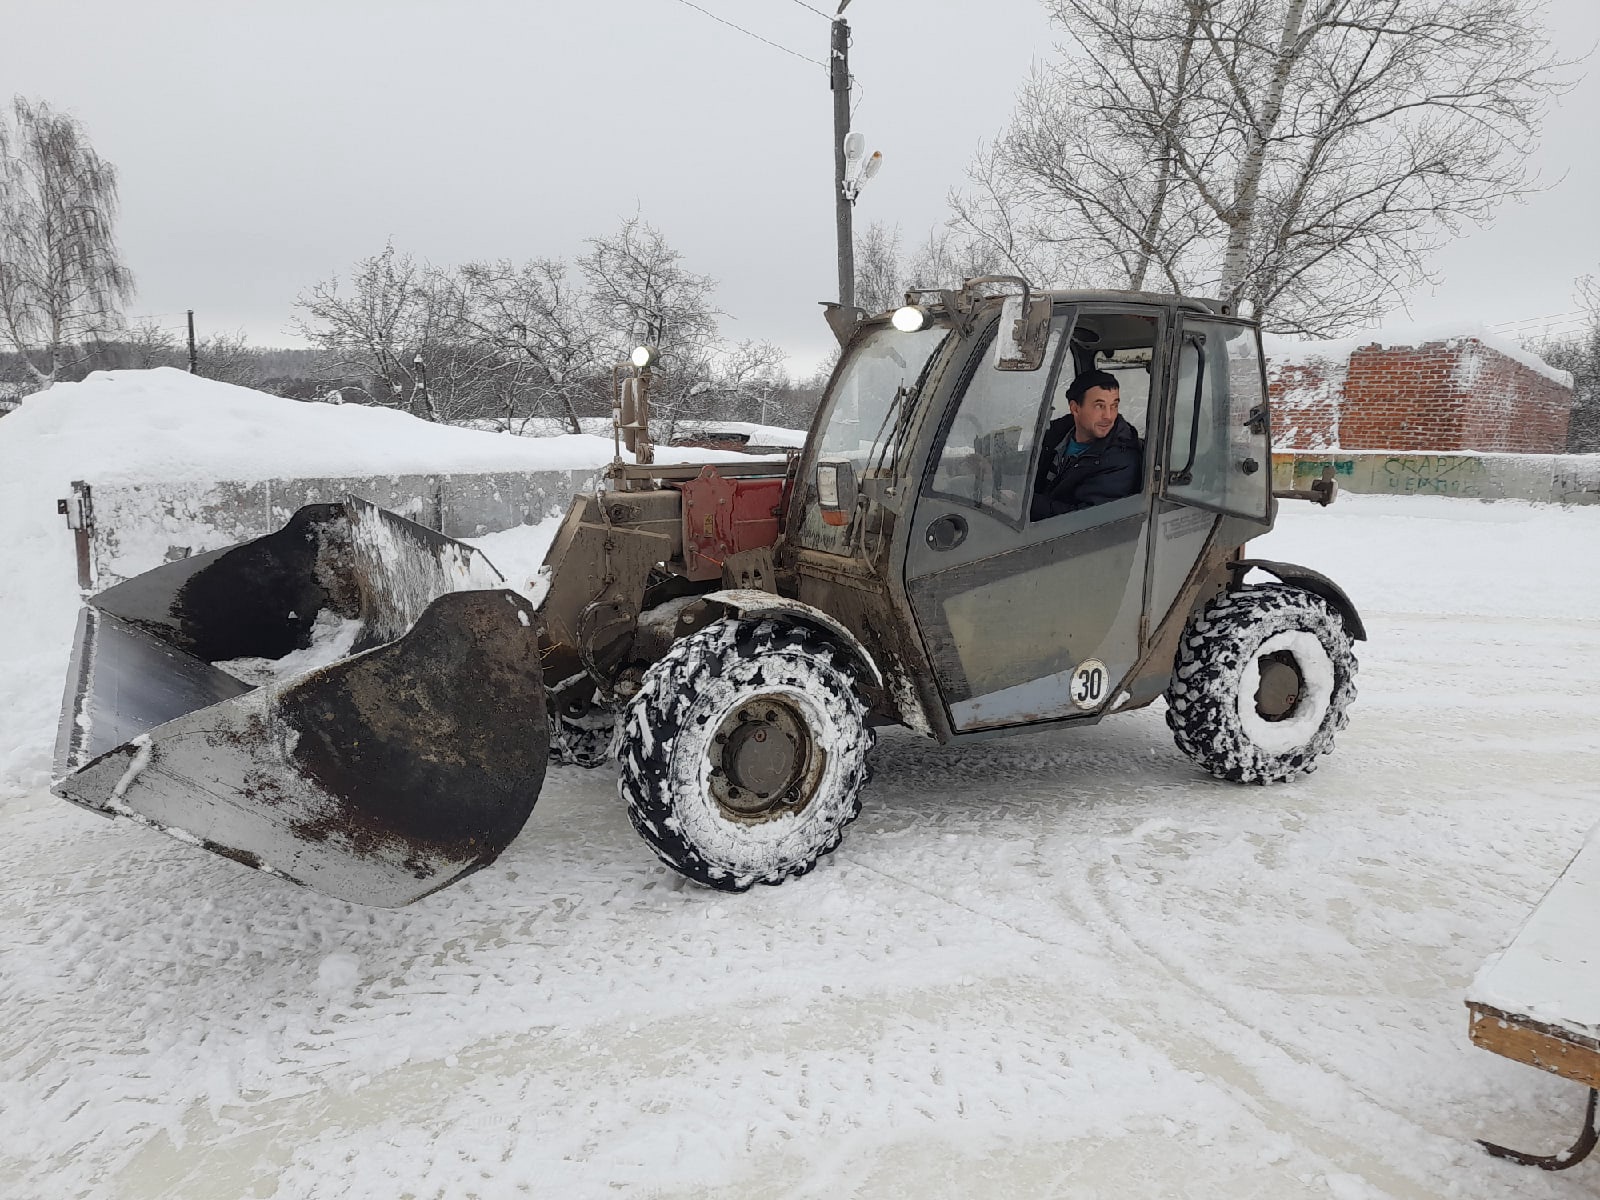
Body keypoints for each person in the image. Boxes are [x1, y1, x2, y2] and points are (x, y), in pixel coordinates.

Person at [1030, 369, 1143, 520]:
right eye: (1099, 406)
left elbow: (1084, 519)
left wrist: (1023, 502)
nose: (1108, 416)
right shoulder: (1060, 431)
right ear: (1075, 408)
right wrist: (994, 464)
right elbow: (1030, 458)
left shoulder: (1121, 458)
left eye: (1114, 406)